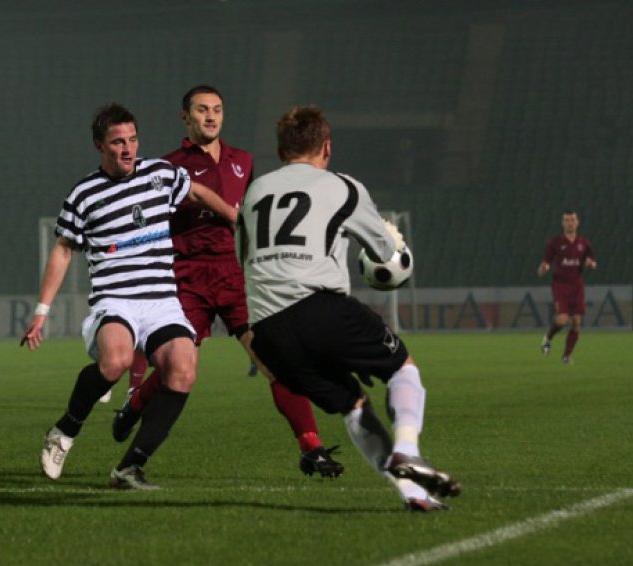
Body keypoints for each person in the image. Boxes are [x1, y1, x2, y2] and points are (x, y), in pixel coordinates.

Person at [236, 105, 461, 511]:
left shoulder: (253, 193)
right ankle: (408, 450)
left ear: (281, 149)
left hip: (267, 331)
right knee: (402, 367)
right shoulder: (343, 186)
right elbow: (386, 252)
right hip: (318, 307)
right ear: (326, 147)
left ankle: (413, 494)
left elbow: (246, 258)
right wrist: (388, 242)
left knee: (352, 403)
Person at [114, 85, 344, 478]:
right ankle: (135, 408)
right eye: (202, 110)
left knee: (277, 361)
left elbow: (248, 222)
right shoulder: (168, 167)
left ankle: (312, 448)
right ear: (185, 117)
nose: (211, 116)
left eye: (217, 109)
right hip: (186, 277)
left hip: (233, 276)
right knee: (179, 368)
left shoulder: (243, 160)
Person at [23, 102, 236, 490]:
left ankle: (130, 467)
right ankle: (65, 431)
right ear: (99, 146)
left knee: (184, 368)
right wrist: (41, 310)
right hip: (115, 300)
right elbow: (64, 250)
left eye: (133, 140)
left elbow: (198, 191)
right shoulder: (84, 193)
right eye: (118, 142)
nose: (128, 149)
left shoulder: (160, 174)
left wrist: (236, 218)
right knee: (116, 362)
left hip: (162, 301)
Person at [537, 210, 597, 364]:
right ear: (562, 223)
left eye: (572, 220)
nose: (570, 223)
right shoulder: (555, 243)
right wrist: (543, 269)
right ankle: (548, 337)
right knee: (563, 320)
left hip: (577, 284)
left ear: (577, 222)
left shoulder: (584, 243)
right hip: (560, 285)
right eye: (567, 220)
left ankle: (566, 356)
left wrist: (591, 264)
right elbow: (545, 264)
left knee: (576, 322)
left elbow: (592, 261)